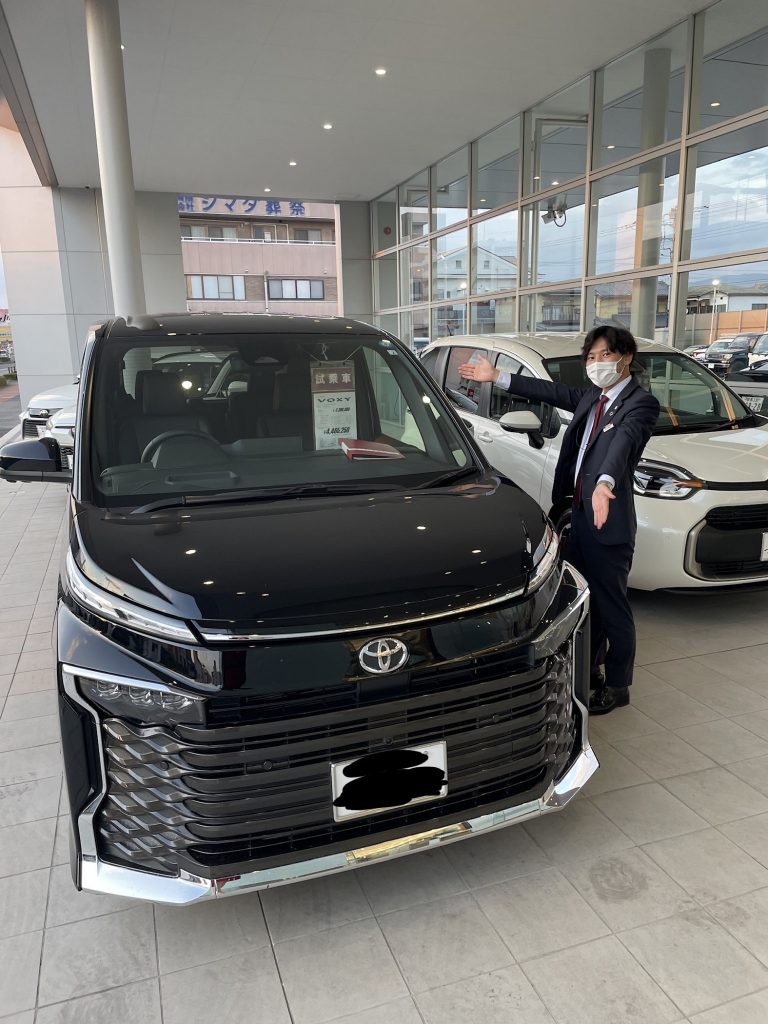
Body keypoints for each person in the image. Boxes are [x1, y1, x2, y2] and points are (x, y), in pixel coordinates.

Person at [459, 326, 660, 715]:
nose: (597, 363)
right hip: (581, 515)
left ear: (626, 357)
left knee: (613, 606)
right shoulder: (593, 396)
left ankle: (619, 684)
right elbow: (550, 392)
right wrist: (497, 376)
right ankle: (593, 667)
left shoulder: (640, 404)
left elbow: (623, 443)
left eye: (605, 355)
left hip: (609, 518)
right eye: (591, 357)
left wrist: (605, 483)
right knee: (587, 599)